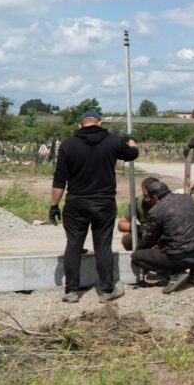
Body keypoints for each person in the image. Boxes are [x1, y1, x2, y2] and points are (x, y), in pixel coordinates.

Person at [49, 111, 139, 303]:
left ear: (80, 125)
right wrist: (131, 140)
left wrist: (54, 205)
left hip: (76, 203)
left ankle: (71, 291)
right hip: (103, 203)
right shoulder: (113, 141)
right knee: (102, 245)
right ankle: (107, 291)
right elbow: (132, 154)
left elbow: (59, 180)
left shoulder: (68, 145)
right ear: (100, 123)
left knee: (73, 245)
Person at [131, 180, 194, 293]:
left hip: (182, 257)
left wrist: (137, 251)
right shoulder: (187, 199)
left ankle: (175, 274)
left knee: (138, 257)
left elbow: (149, 239)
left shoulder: (156, 211)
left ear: (155, 197)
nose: (149, 202)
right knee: (190, 237)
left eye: (149, 199)